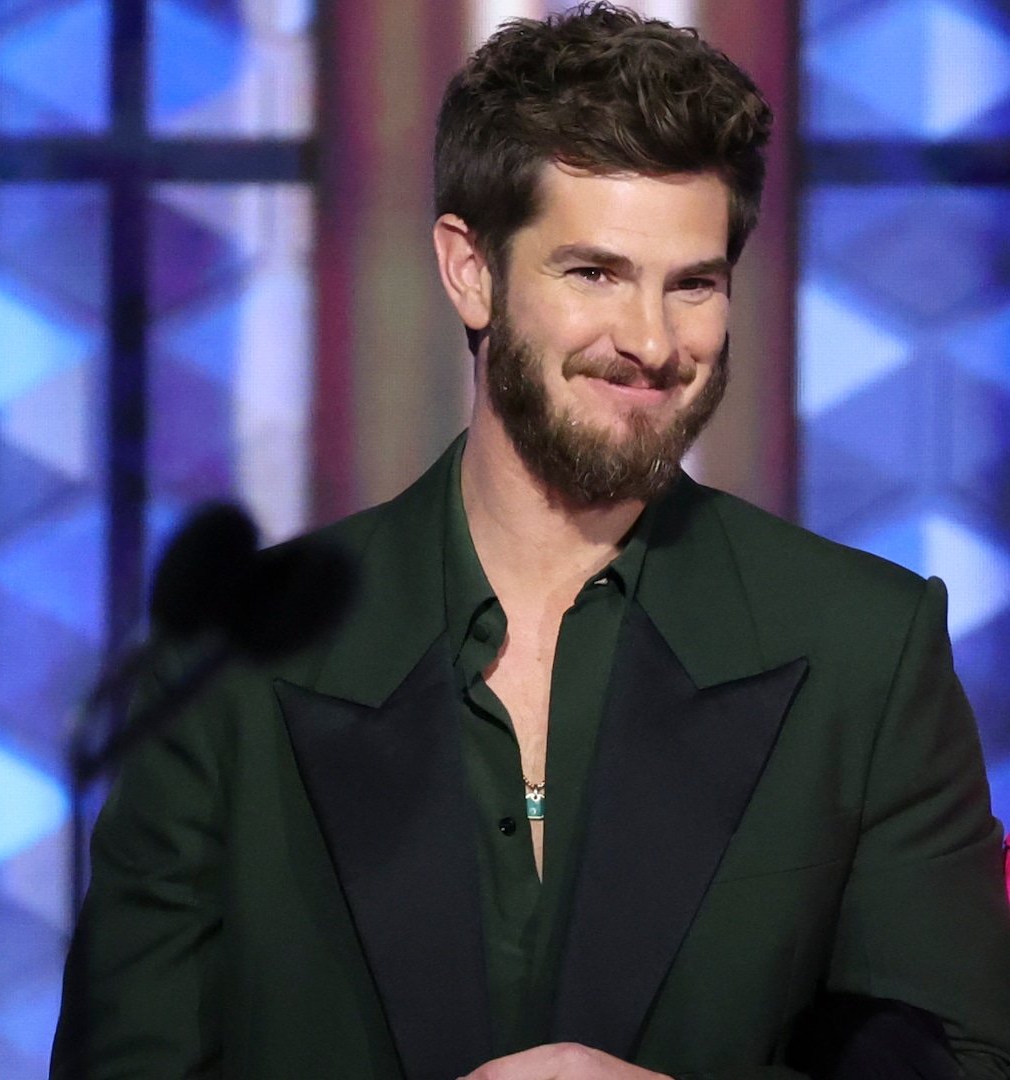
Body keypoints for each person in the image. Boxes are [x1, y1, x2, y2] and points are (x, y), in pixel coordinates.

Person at [51, 5, 1010, 1078]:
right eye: (594, 272)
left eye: (692, 283)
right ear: (471, 270)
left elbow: (959, 1061)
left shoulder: (867, 654)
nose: (652, 342)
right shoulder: (228, 665)